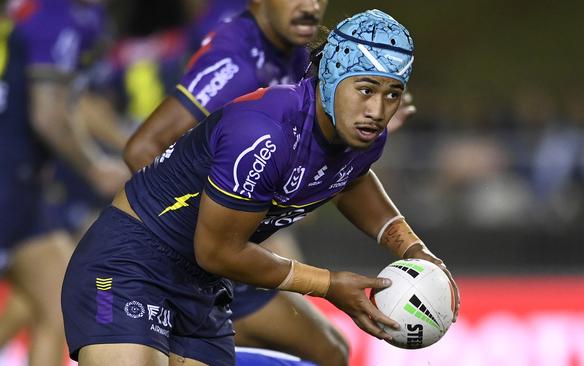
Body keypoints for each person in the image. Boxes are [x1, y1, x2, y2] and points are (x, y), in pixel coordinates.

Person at [61, 9, 459, 366]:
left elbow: (350, 178)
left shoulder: (362, 135)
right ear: (332, 77)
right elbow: (217, 249)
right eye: (366, 90)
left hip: (203, 282)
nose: (378, 110)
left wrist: (413, 248)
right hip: (131, 263)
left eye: (392, 94)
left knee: (332, 354)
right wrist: (329, 284)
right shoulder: (263, 130)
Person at [0, 0, 128, 364]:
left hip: (25, 186)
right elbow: (48, 113)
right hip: (8, 181)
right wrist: (94, 166)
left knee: (60, 298)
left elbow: (74, 103)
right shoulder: (59, 15)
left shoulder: (76, 14)